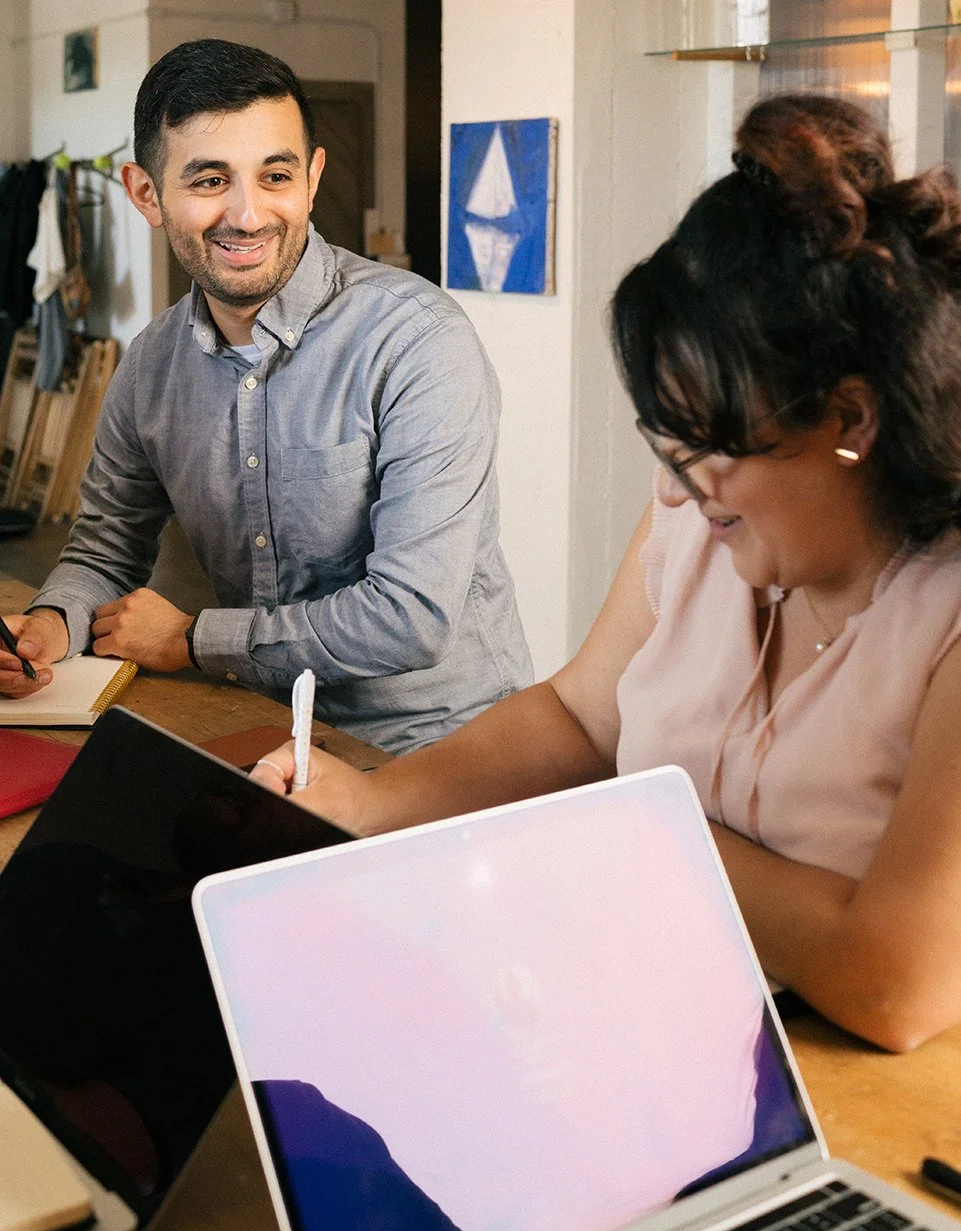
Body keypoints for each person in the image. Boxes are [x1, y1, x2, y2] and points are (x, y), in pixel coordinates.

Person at [251, 93, 961, 1054]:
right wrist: (372, 803)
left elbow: (896, 982)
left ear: (850, 420)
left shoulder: (943, 617)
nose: (674, 496)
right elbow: (581, 718)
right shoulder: (706, 519)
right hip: (646, 1024)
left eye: (705, 448)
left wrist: (631, 837)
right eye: (662, 445)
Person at [0, 39, 532, 754]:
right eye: (210, 180)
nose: (248, 215)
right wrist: (52, 624)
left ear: (312, 178)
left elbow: (411, 616)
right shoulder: (149, 366)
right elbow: (106, 546)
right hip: (265, 726)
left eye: (274, 175)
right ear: (146, 194)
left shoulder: (417, 341)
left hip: (438, 742)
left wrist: (192, 639)